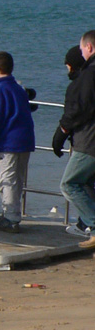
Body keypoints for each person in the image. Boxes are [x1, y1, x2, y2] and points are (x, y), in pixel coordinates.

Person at [0, 51, 36, 233]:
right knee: (18, 179)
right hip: (25, 140)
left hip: (8, 143)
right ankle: (13, 213)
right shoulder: (18, 89)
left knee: (7, 179)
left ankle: (10, 218)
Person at [51, 31, 95, 248]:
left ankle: (93, 226)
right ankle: (87, 225)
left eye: (82, 49)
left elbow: (78, 109)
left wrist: (61, 132)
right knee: (86, 182)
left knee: (69, 183)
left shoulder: (88, 76)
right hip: (88, 140)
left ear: (90, 48)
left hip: (88, 142)